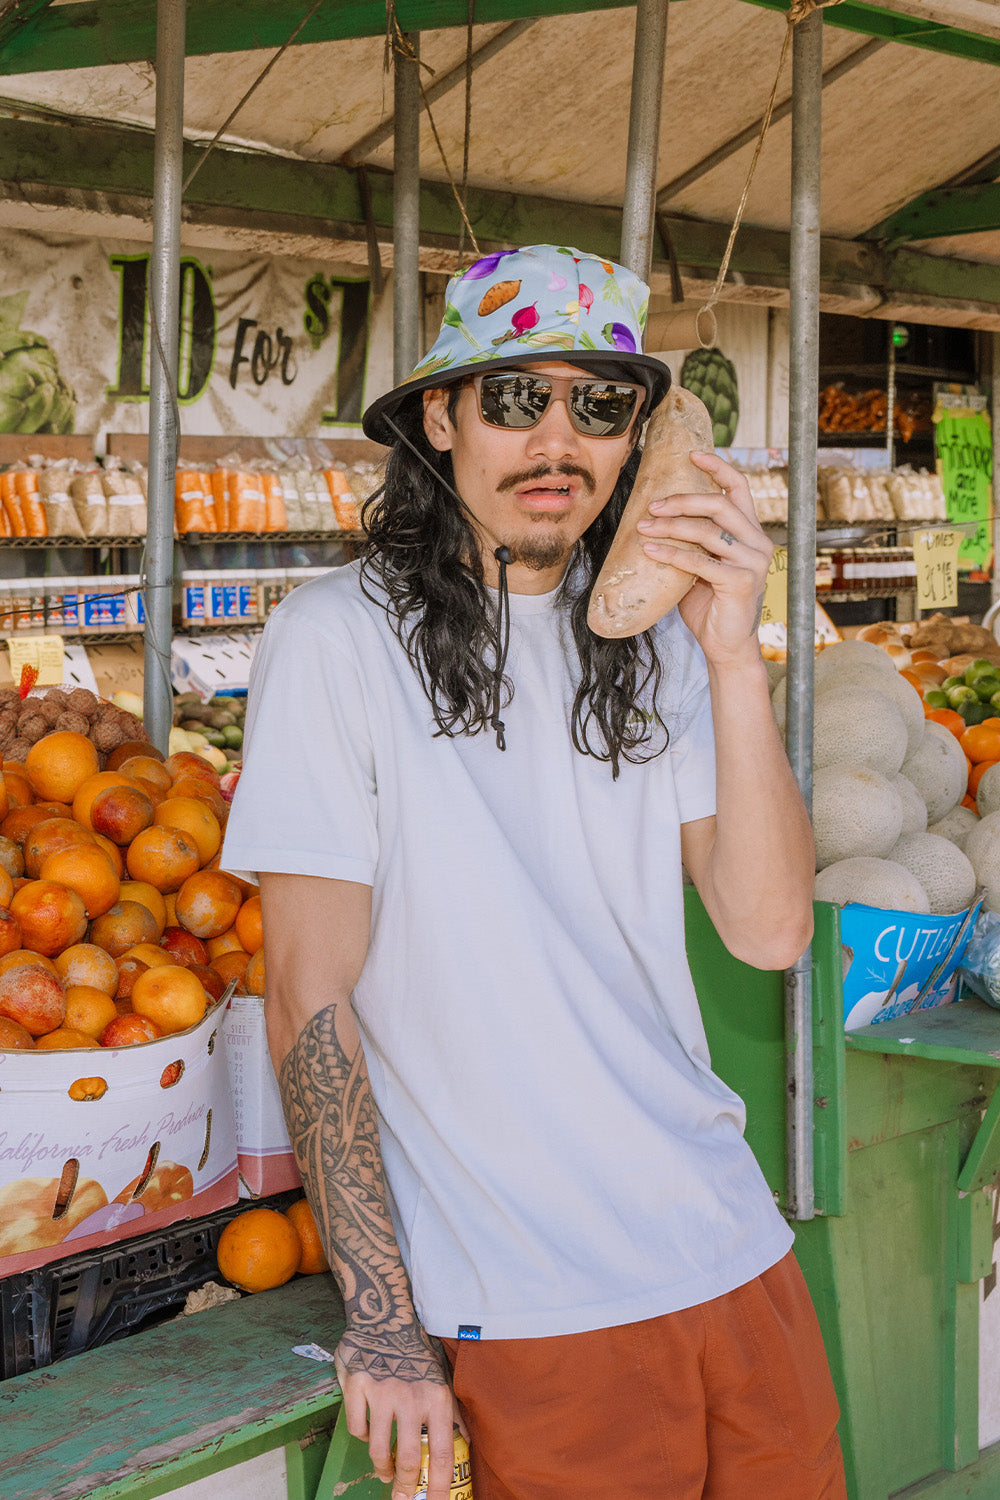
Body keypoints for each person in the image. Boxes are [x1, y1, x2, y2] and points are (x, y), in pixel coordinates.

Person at [221, 243, 846, 1500]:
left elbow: (770, 930)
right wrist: (384, 1324)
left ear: (633, 439)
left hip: (733, 1251)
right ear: (441, 420)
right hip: (529, 1305)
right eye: (516, 397)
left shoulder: (659, 642)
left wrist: (735, 655)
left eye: (598, 404)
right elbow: (307, 999)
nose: (557, 439)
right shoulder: (335, 640)